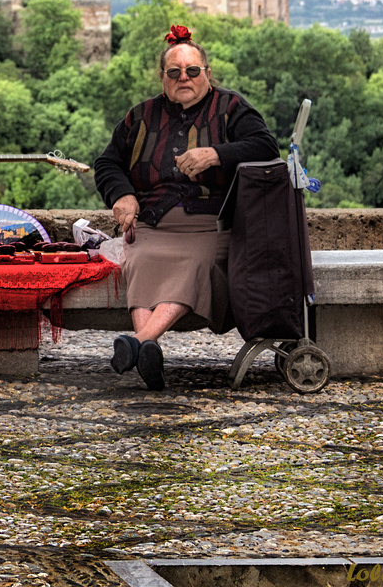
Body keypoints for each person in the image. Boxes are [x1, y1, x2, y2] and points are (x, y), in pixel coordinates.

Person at [92, 25, 280, 391]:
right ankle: (146, 348)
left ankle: (138, 342)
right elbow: (107, 163)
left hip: (210, 225)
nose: (184, 78)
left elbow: (265, 147)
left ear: (207, 74)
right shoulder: (140, 116)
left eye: (193, 71)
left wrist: (216, 155)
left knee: (195, 262)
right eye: (174, 72)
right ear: (162, 78)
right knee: (140, 258)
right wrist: (123, 196)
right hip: (152, 223)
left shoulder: (232, 109)